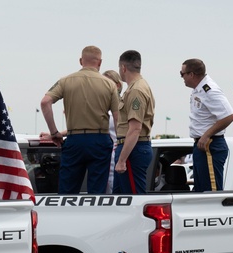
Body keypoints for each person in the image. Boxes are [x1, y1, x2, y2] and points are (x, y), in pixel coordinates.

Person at [41, 45, 120, 195]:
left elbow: (45, 102)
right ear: (100, 62)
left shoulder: (65, 81)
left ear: (80, 61)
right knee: (97, 193)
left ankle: (67, 216)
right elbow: (117, 118)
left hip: (74, 139)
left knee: (67, 192)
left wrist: (54, 132)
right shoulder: (109, 84)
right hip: (100, 140)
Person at [182, 58, 233, 191]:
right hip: (202, 145)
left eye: (182, 74)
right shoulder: (198, 89)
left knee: (211, 192)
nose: (182, 77)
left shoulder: (209, 90)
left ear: (192, 74)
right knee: (201, 192)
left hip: (210, 145)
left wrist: (206, 135)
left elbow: (229, 116)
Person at [113, 50, 155, 195]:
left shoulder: (136, 90)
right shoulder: (137, 87)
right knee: (120, 199)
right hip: (132, 148)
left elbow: (135, 129)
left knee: (133, 199)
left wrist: (122, 159)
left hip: (132, 149)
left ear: (123, 68)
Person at [103, 69, 122, 193]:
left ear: (117, 85)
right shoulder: (102, 106)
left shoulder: (122, 105)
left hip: (118, 152)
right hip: (105, 154)